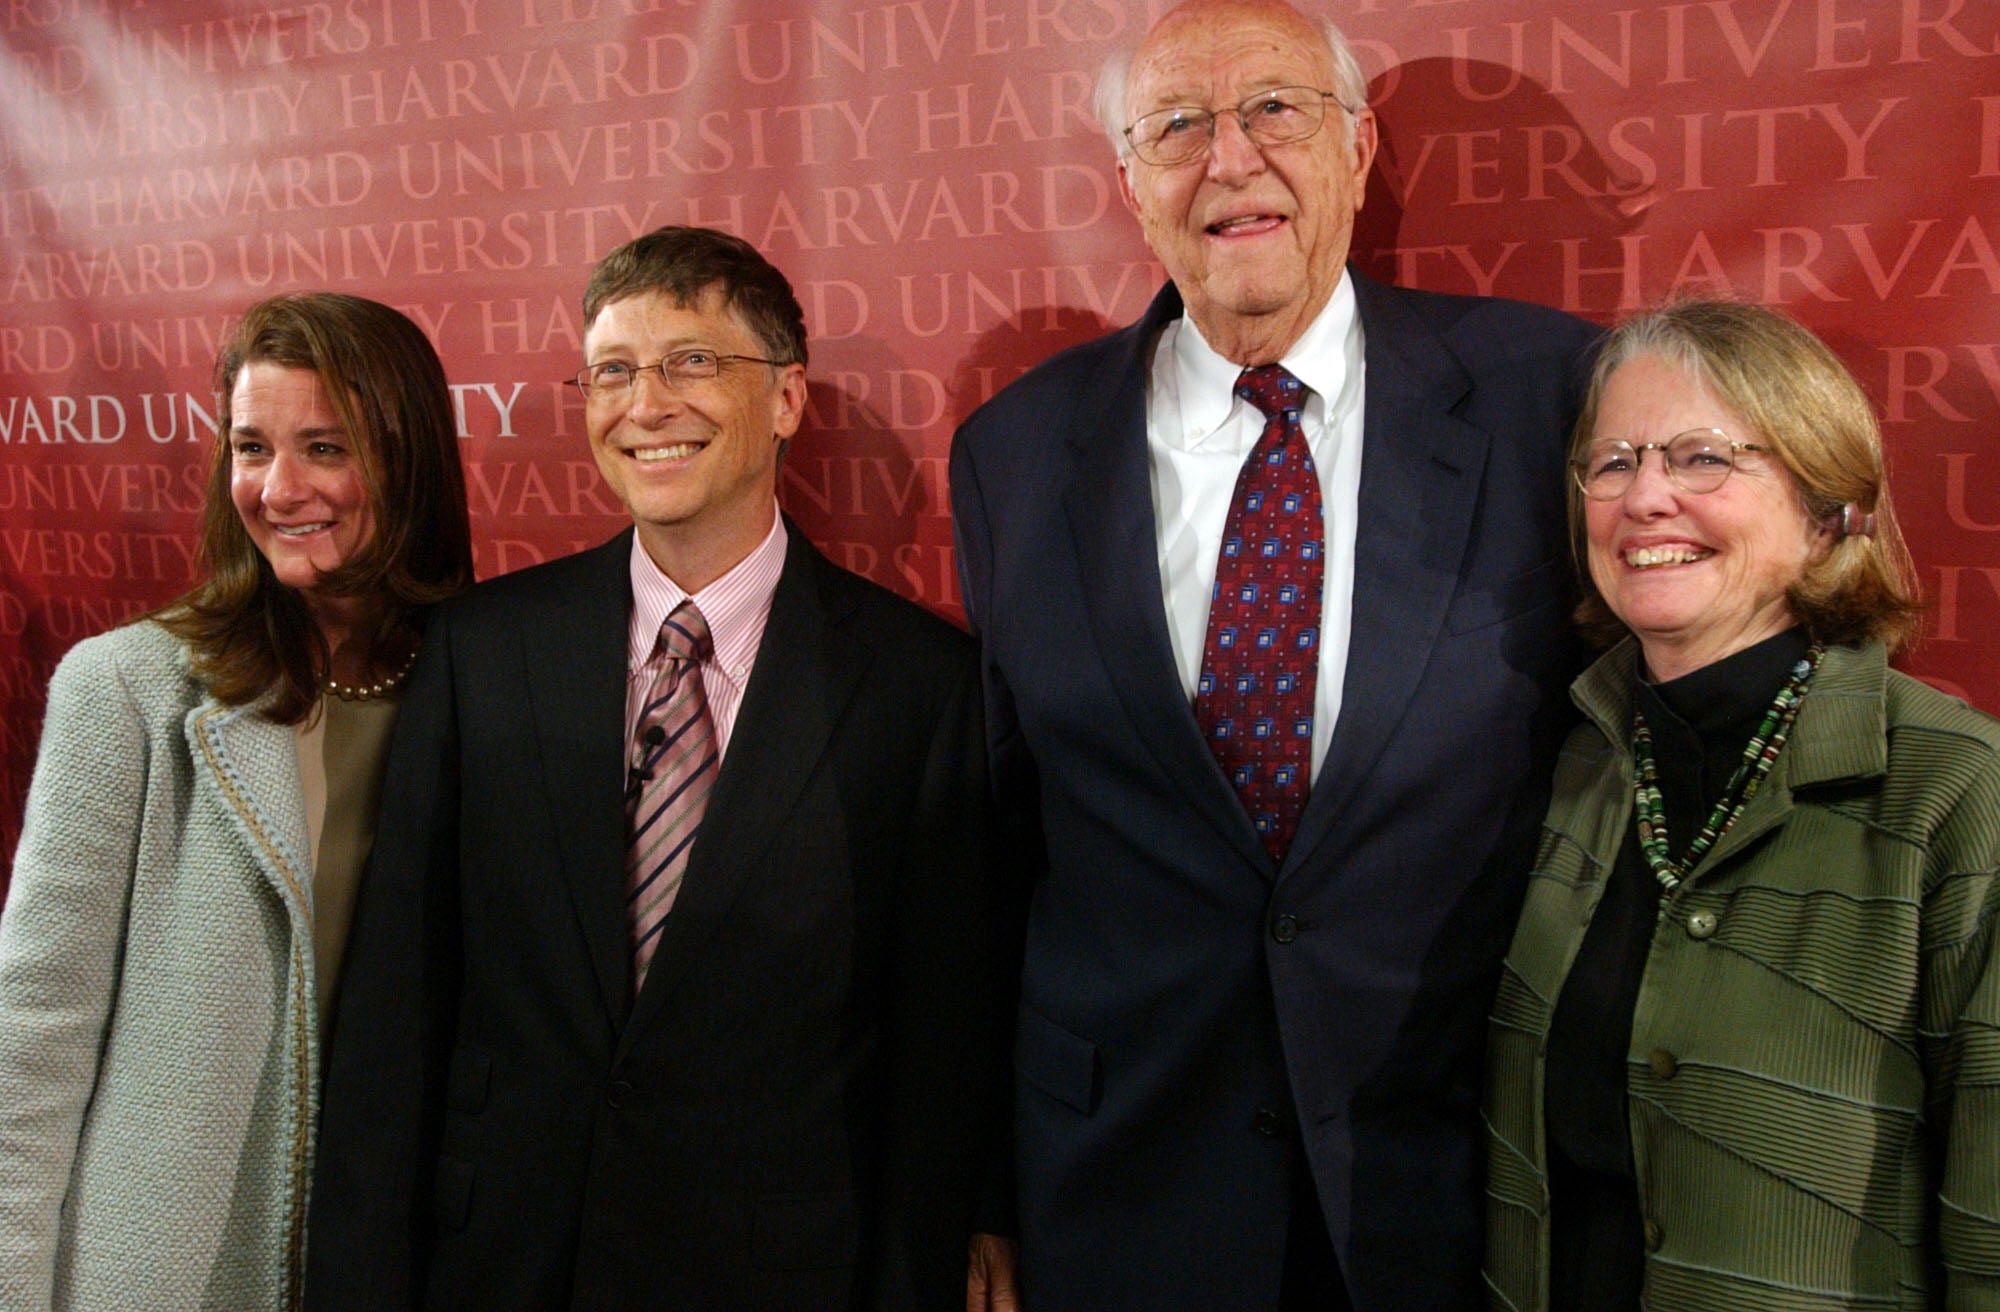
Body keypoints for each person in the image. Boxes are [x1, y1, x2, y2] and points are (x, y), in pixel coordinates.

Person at [949, 0, 1601, 1307]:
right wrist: (982, 1192)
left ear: (1359, 153)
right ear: (1129, 182)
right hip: (1118, 1187)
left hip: (1456, 1186)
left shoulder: (1551, 395)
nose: (1229, 157)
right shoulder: (1015, 451)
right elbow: (997, 846)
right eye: (1177, 125)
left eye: (1275, 110)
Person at [304, 225, 1013, 1312]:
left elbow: (939, 1042)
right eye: (613, 372)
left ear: (785, 399)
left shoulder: (920, 686)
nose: (645, 404)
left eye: (690, 361)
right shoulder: (483, 652)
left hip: (775, 1273)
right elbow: (400, 1006)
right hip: (499, 1266)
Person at [1483, 299, 2000, 1310]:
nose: (1644, 497)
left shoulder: (1953, 791)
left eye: (1700, 457)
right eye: (1613, 461)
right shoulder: (1572, 763)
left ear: (1824, 509)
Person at [0, 293, 474, 1312]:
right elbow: (33, 1028)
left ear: (410, 459)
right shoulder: (126, 687)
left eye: (325, 447)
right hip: (168, 1270)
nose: (280, 487)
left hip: (404, 1256)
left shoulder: (488, 689)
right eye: (251, 447)